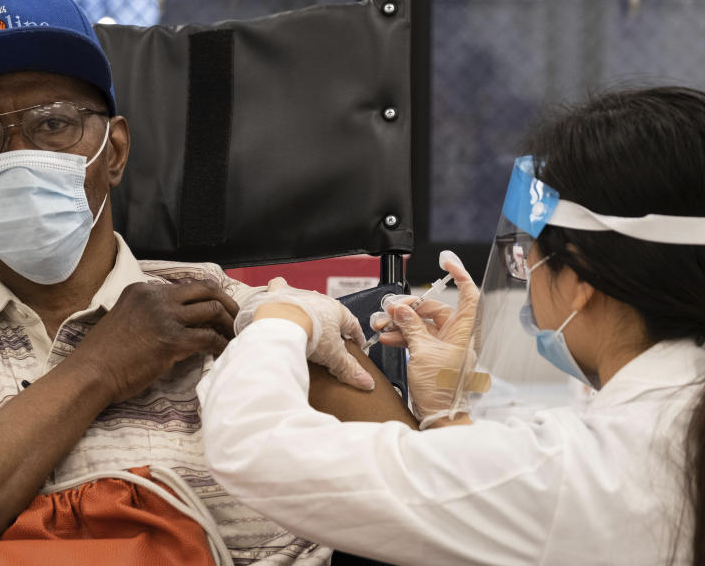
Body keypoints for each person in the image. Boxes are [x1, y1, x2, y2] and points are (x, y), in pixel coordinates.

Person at [0, 0, 408, 566]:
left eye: (53, 124)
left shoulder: (238, 314)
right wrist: (100, 368)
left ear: (113, 152)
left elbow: (414, 492)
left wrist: (435, 396)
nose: (16, 153)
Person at [198, 87, 705, 564]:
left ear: (579, 280)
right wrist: (447, 407)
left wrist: (281, 319)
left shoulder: (587, 472)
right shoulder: (658, 431)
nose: (526, 277)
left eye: (532, 257)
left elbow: (256, 448)